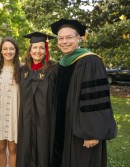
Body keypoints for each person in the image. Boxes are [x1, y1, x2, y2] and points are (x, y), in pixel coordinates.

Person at [50, 18, 117, 167]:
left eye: (69, 37)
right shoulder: (62, 63)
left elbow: (95, 98)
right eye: (60, 38)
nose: (64, 41)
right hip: (64, 127)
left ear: (79, 38)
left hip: (82, 132)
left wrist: (92, 133)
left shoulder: (90, 61)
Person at [16, 32, 56, 166]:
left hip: (45, 120)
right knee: (26, 147)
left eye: (41, 48)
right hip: (26, 119)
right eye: (35, 47)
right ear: (30, 50)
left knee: (43, 148)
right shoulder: (24, 70)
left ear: (46, 50)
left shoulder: (53, 69)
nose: (37, 51)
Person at [0, 37, 21, 167]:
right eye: (5, 49)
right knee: (0, 148)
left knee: (13, 149)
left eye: (11, 48)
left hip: (13, 114)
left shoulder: (21, 69)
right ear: (1, 51)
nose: (8, 51)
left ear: (16, 51)